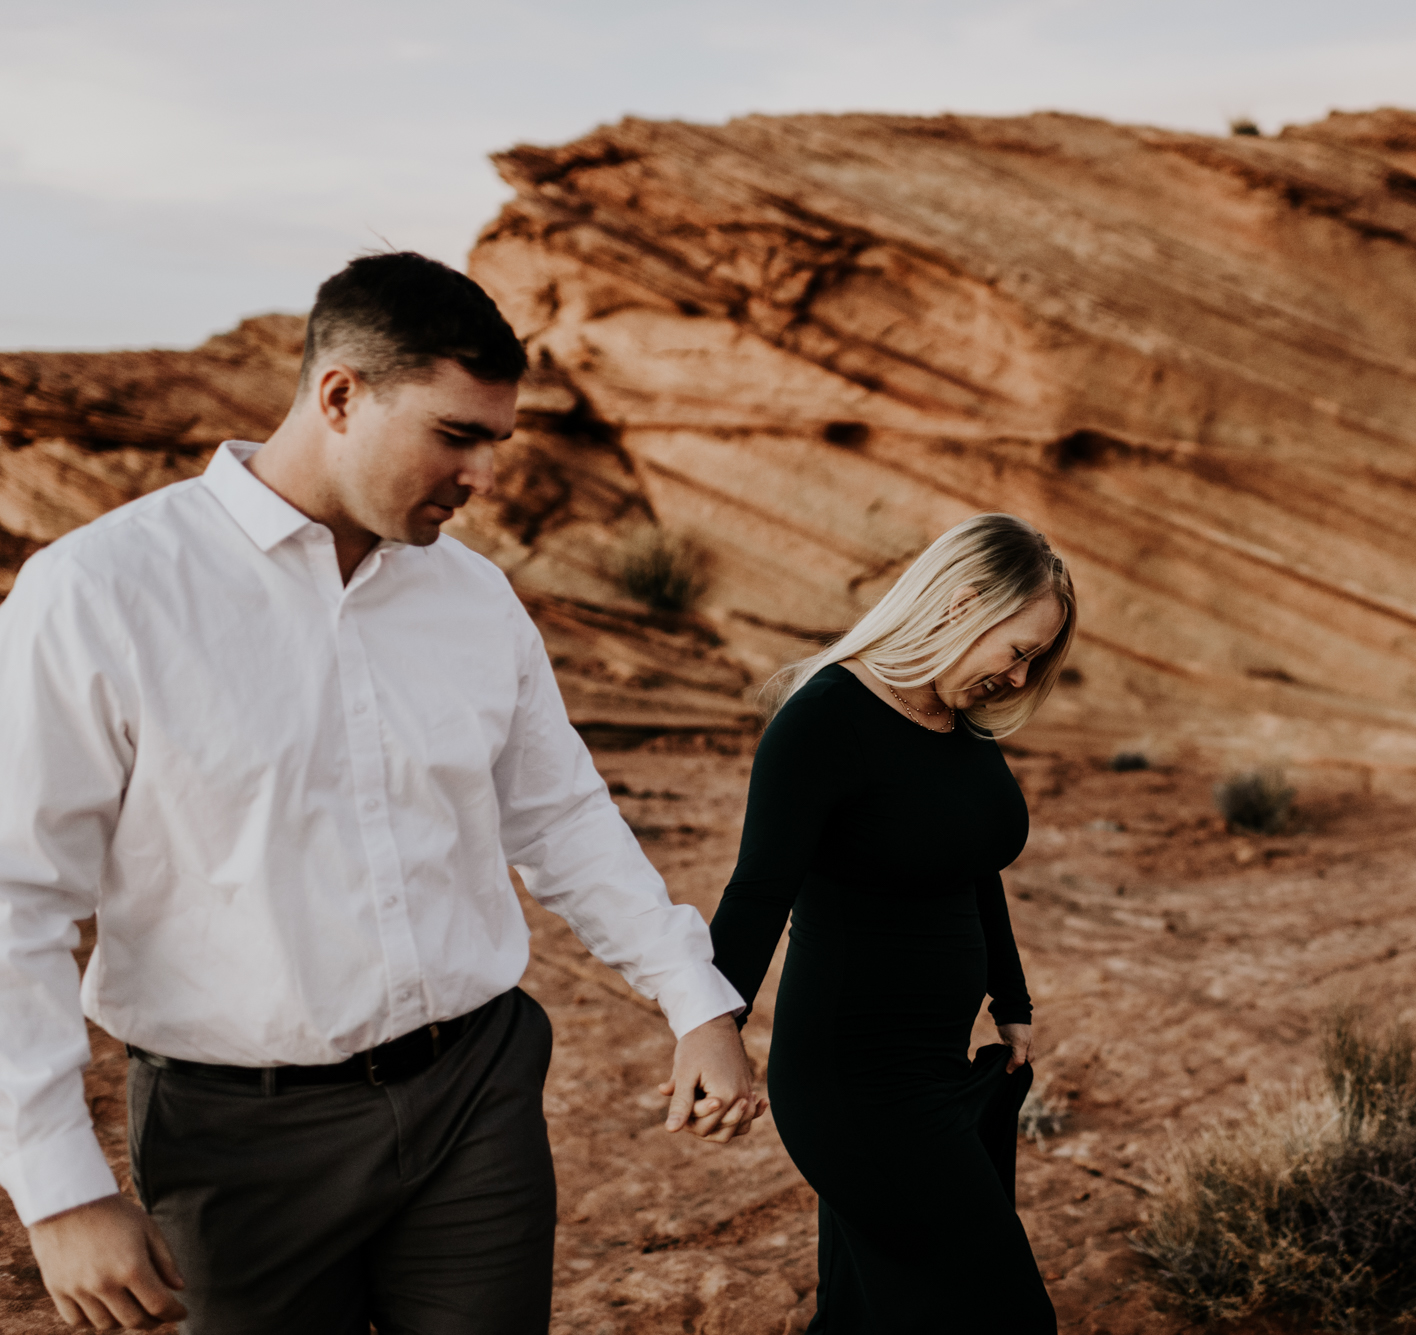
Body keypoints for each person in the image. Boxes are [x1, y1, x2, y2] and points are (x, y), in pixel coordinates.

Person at [0, 252, 765, 1334]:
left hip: (475, 1098)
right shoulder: (99, 592)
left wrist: (695, 997)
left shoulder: (473, 597)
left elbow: (559, 815)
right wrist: (57, 1183)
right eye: (455, 436)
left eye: (496, 442)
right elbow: (14, 897)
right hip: (236, 1136)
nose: (484, 475)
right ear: (340, 395)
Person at [707, 512, 1075, 1333]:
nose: (1019, 679)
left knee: (867, 1312)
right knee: (999, 1314)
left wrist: (1010, 1001)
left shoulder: (957, 721)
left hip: (936, 1068)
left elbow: (973, 862)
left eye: (1035, 662)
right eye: (1018, 650)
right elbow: (758, 890)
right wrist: (713, 1025)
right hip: (853, 1087)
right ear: (963, 603)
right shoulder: (824, 719)